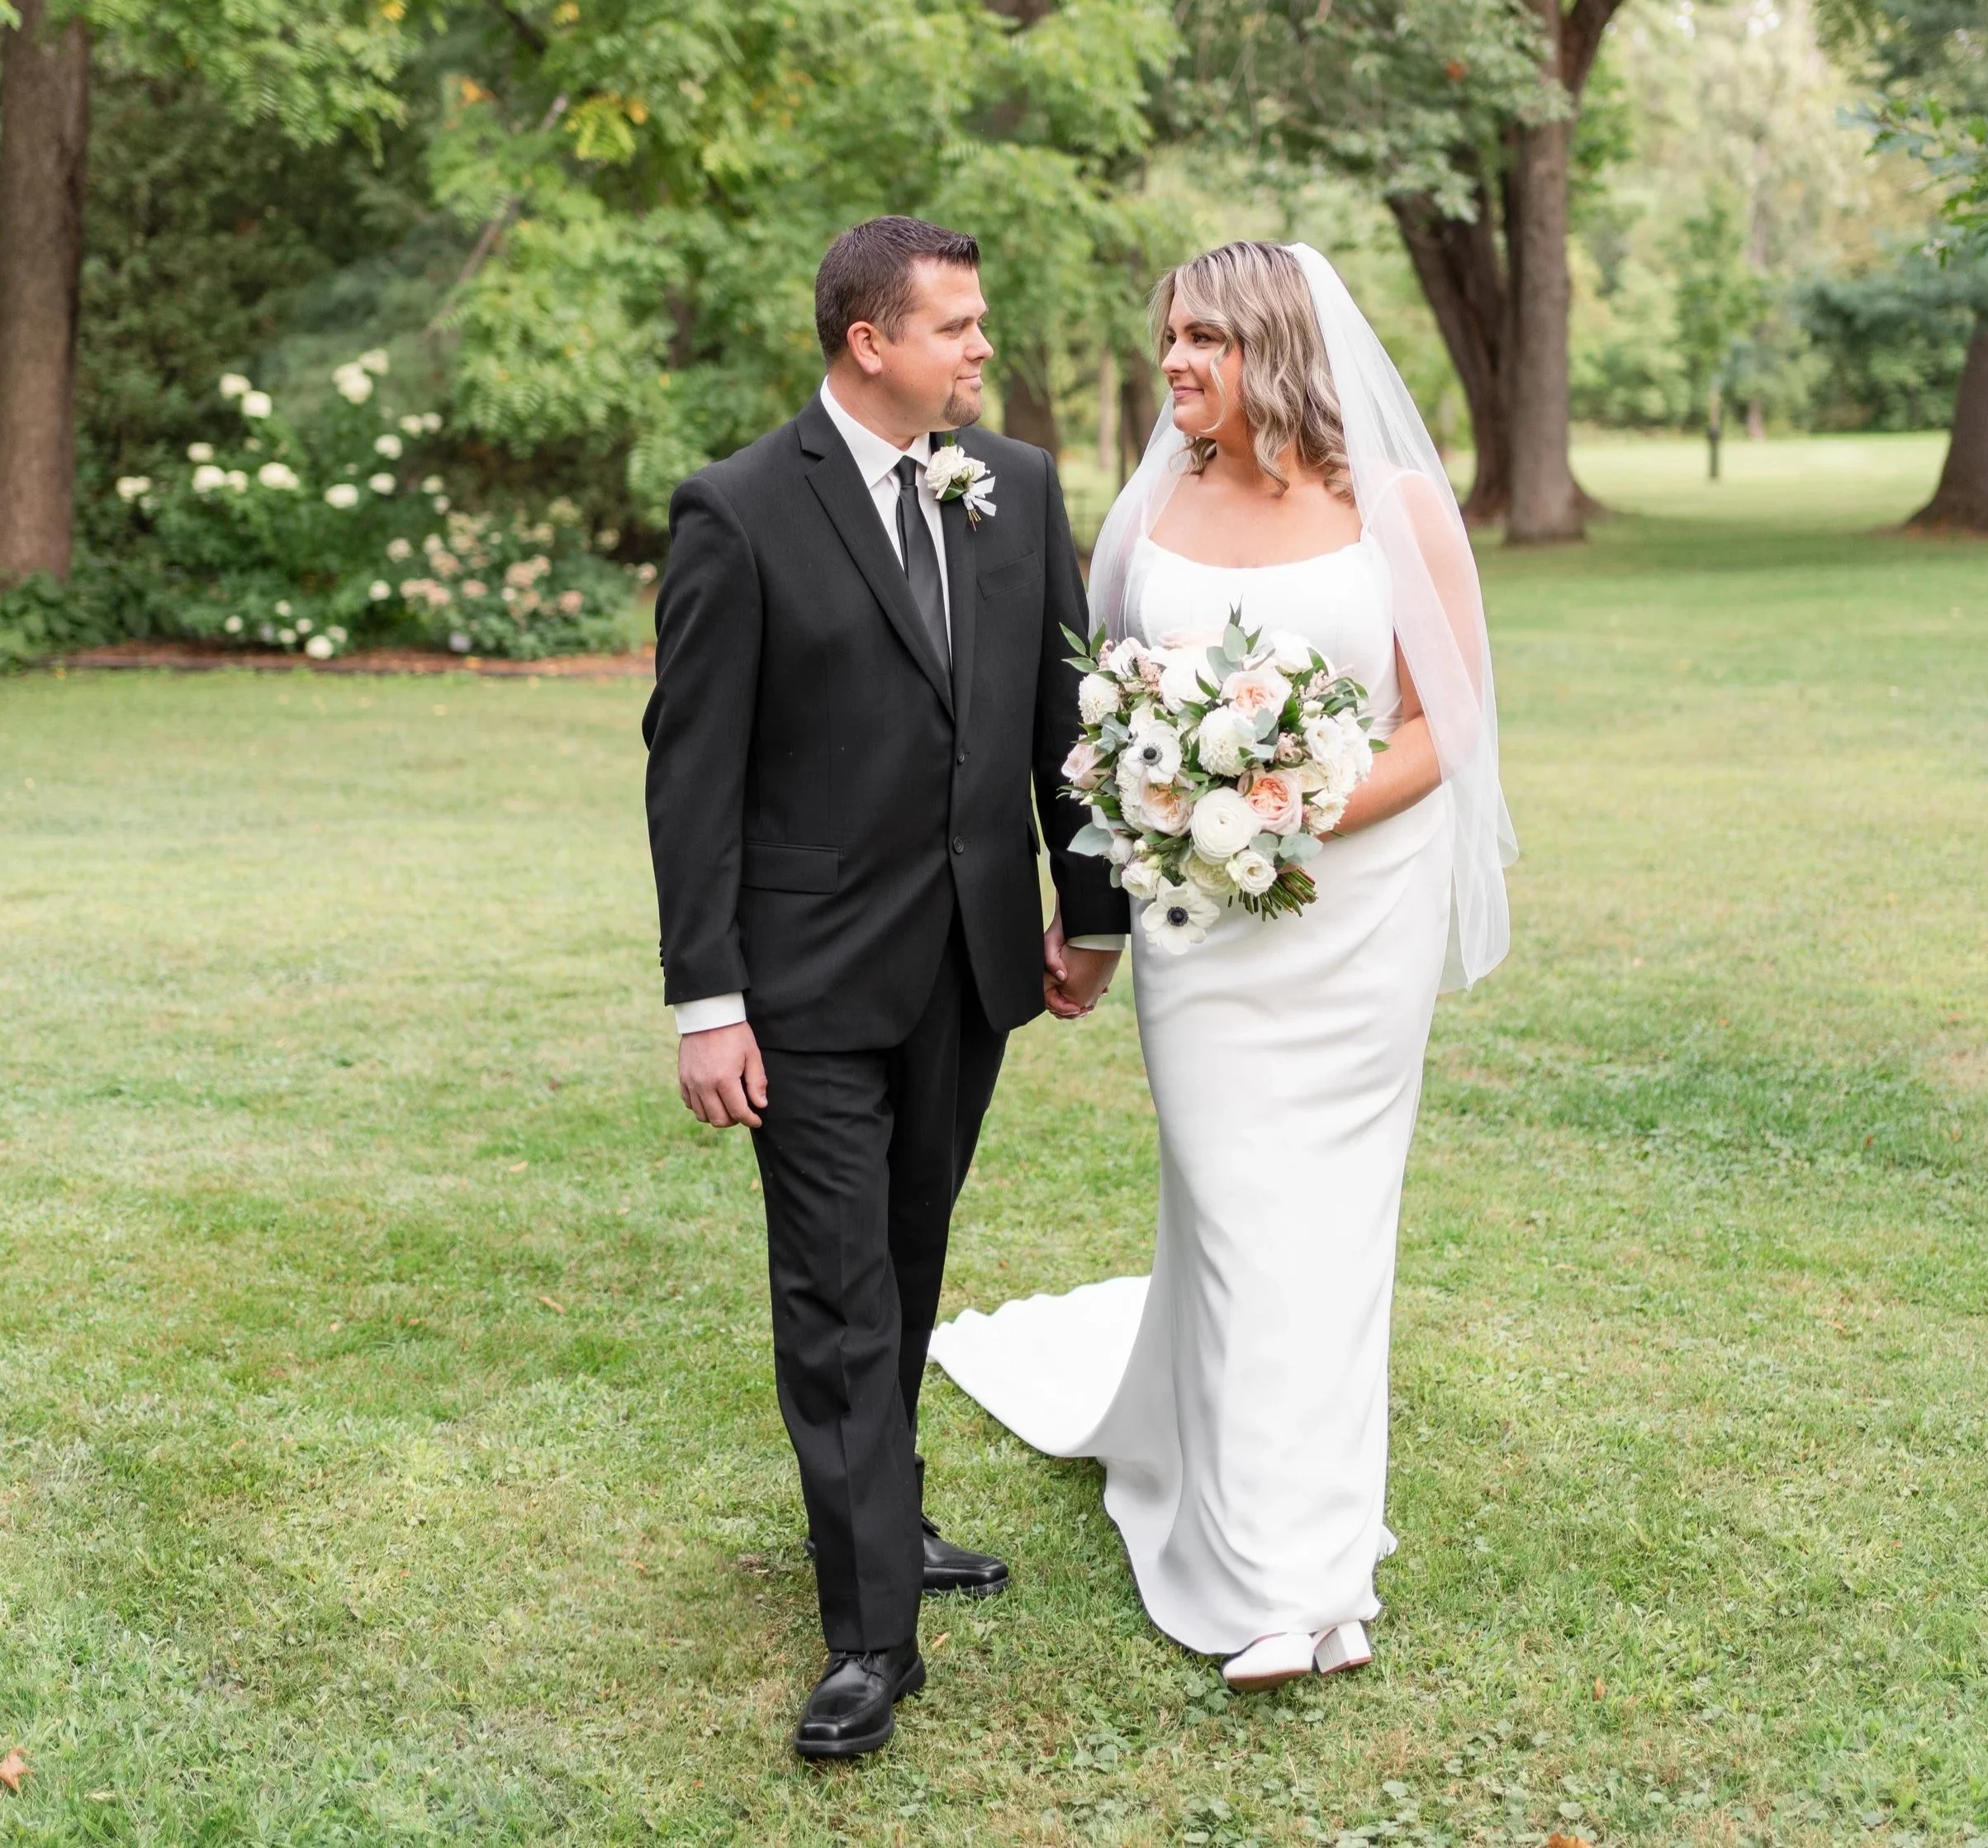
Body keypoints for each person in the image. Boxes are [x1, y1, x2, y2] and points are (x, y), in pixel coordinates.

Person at [931, 240, 1516, 1691]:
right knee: (1239, 1206)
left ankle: (1302, 1575)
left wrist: (1290, 802)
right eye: (1172, 337)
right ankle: (1274, 1578)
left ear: (1276, 347)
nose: (1178, 361)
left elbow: (1450, 723)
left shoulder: (1394, 507)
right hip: (1201, 926)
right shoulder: (1154, 510)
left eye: (1205, 339)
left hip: (1352, 914)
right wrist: (1168, 826)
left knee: (1329, 1230)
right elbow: (1105, 711)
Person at [643, 216, 1125, 1760]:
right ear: (871, 343)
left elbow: (1065, 718)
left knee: (908, 1261)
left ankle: (883, 1516)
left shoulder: (1018, 487)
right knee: (839, 1288)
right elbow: (692, 772)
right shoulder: (737, 511)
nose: (984, 349)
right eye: (959, 327)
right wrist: (706, 998)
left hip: (970, 965)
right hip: (802, 982)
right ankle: (869, 1634)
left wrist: (1091, 911)